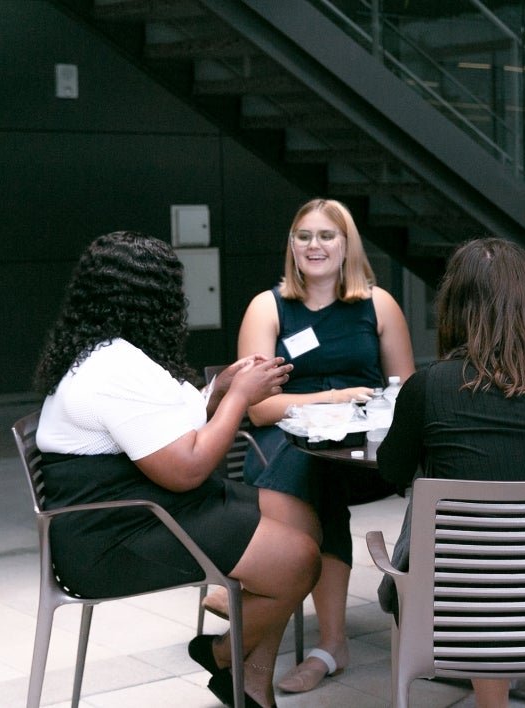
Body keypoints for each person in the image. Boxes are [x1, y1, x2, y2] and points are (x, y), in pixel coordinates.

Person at [33, 231, 321, 708]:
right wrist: (241, 399)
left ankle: (250, 687)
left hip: (147, 506)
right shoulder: (110, 369)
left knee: (301, 518)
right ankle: (224, 656)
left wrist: (221, 388)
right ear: (151, 300)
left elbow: (164, 425)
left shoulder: (116, 352)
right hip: (112, 535)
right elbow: (186, 468)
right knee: (297, 561)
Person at [376, 237, 525, 708]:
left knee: (431, 502)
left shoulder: (429, 387)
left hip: (460, 610)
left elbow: (392, 469)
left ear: (454, 306)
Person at [229, 197, 416, 694]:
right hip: (285, 444)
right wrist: (331, 397)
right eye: (304, 235)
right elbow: (257, 409)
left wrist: (353, 411)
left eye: (327, 235)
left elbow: (407, 395)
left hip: (362, 450)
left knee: (319, 469)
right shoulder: (267, 307)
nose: (315, 245)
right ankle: (329, 644)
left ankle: (260, 589)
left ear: (347, 244)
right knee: (310, 468)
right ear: (291, 246)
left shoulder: (379, 305)